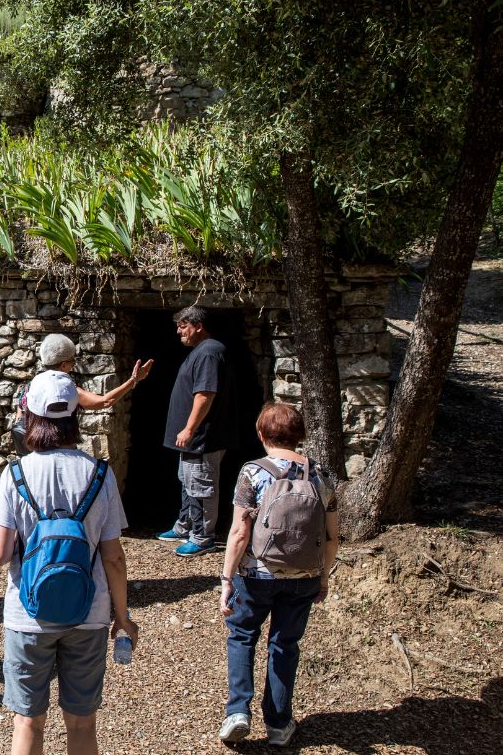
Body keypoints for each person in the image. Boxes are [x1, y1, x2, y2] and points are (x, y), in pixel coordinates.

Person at [0, 370, 138, 755]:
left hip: (27, 615)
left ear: (30, 417)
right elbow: (114, 557)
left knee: (27, 721)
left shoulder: (16, 474)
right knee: (82, 722)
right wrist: (122, 617)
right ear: (75, 417)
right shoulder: (100, 474)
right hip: (89, 613)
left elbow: (0, 554)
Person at [218, 403, 339, 748]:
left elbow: (240, 532)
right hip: (304, 576)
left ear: (261, 434)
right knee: (285, 645)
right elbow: (332, 536)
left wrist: (227, 578)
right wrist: (323, 578)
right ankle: (279, 724)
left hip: (256, 575)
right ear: (299, 436)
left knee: (242, 635)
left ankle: (237, 712)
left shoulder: (253, 473)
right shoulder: (322, 475)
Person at [157, 306, 236, 557]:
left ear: (198, 325)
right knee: (188, 481)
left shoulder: (209, 352)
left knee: (201, 485)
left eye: (183, 326)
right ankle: (185, 526)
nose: (179, 332)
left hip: (203, 438)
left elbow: (205, 393)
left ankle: (203, 538)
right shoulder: (201, 351)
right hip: (193, 440)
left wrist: (190, 428)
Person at [11, 334, 152, 455]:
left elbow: (20, 421)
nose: (73, 364)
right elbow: (105, 402)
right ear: (64, 365)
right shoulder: (66, 391)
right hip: (61, 455)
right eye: (73, 361)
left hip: (31, 455)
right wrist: (133, 380)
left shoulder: (30, 388)